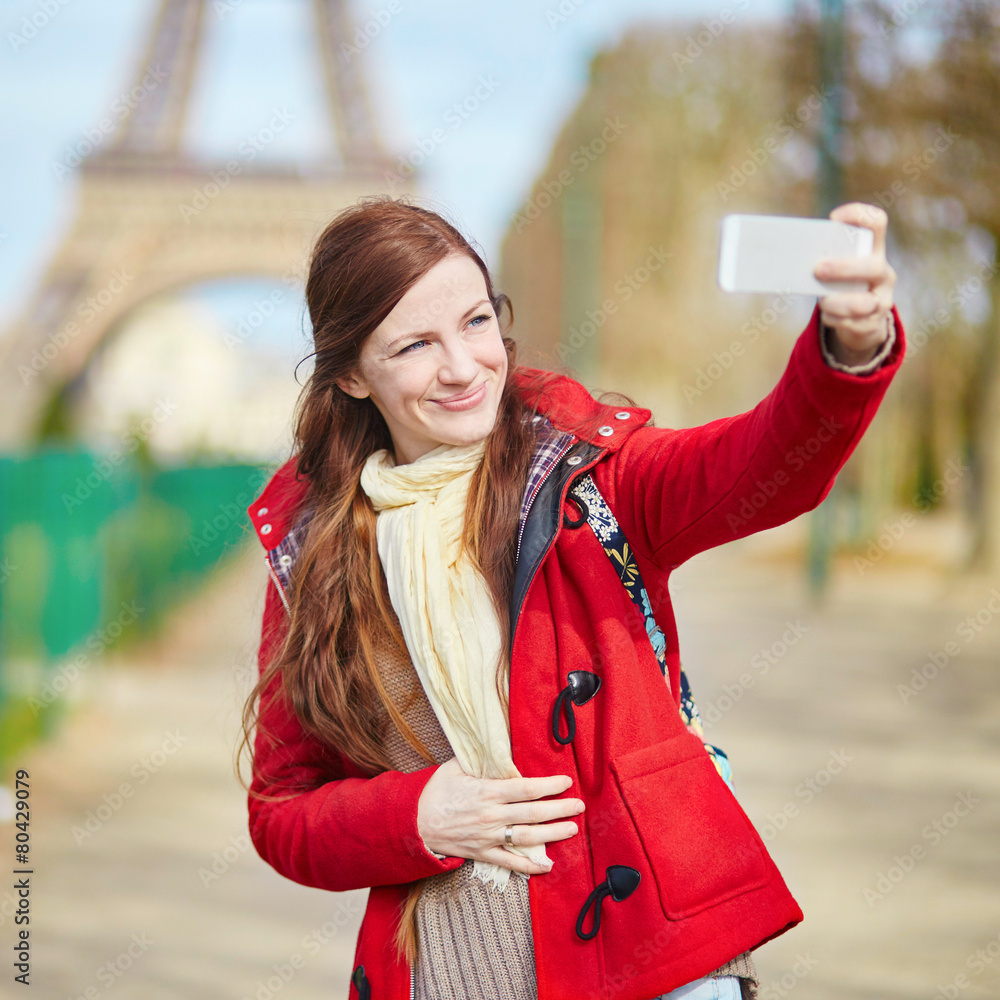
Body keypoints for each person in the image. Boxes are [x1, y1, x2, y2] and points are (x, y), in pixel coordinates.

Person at [239, 194, 905, 1000]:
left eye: (476, 322)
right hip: (454, 969)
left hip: (661, 955)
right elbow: (281, 811)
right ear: (349, 374)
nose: (464, 367)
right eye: (415, 344)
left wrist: (846, 353)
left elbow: (766, 462)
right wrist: (415, 816)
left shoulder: (593, 478)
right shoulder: (316, 557)